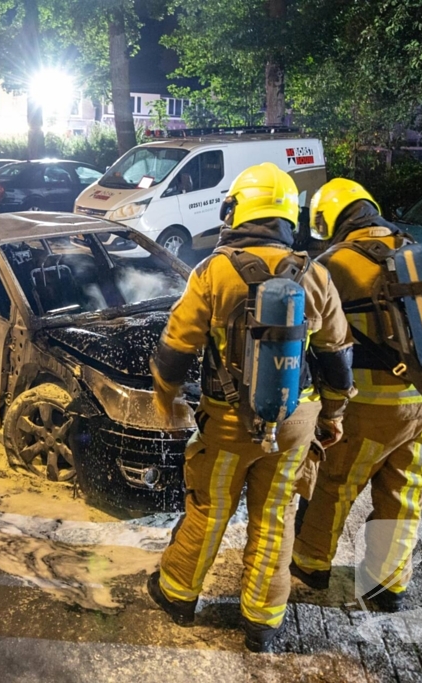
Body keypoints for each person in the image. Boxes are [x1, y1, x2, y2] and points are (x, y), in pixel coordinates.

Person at [148, 162, 355, 653]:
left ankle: (178, 593)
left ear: (235, 211)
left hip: (226, 423)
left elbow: (174, 349)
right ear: (288, 216)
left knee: (210, 506)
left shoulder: (213, 272)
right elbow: (337, 358)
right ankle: (263, 620)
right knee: (276, 515)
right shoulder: (316, 274)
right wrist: (333, 416)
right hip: (294, 420)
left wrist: (166, 399)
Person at [291, 179, 422, 612]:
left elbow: (307, 336)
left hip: (373, 406)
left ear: (331, 219)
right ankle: (388, 585)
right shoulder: (415, 250)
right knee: (404, 492)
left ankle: (310, 563)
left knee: (335, 483)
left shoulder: (331, 265)